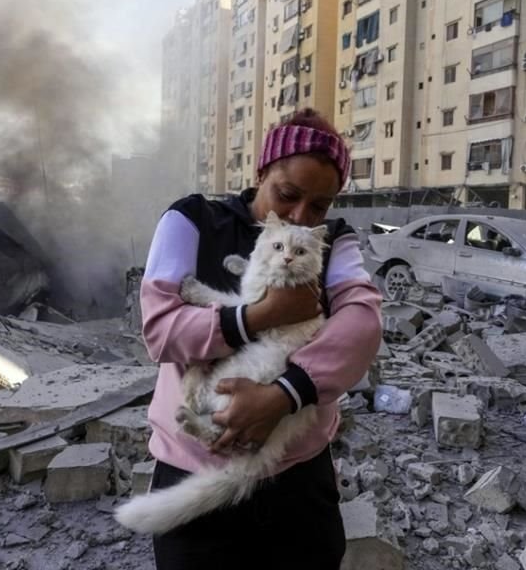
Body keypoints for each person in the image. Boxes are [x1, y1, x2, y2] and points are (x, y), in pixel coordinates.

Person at [138, 108, 383, 569]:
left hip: (296, 475)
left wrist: (281, 396)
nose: (298, 215)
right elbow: (160, 330)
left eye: (319, 206)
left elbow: (363, 324)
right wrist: (256, 316)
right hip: (193, 462)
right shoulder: (192, 220)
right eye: (287, 194)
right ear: (263, 170)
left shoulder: (332, 242)